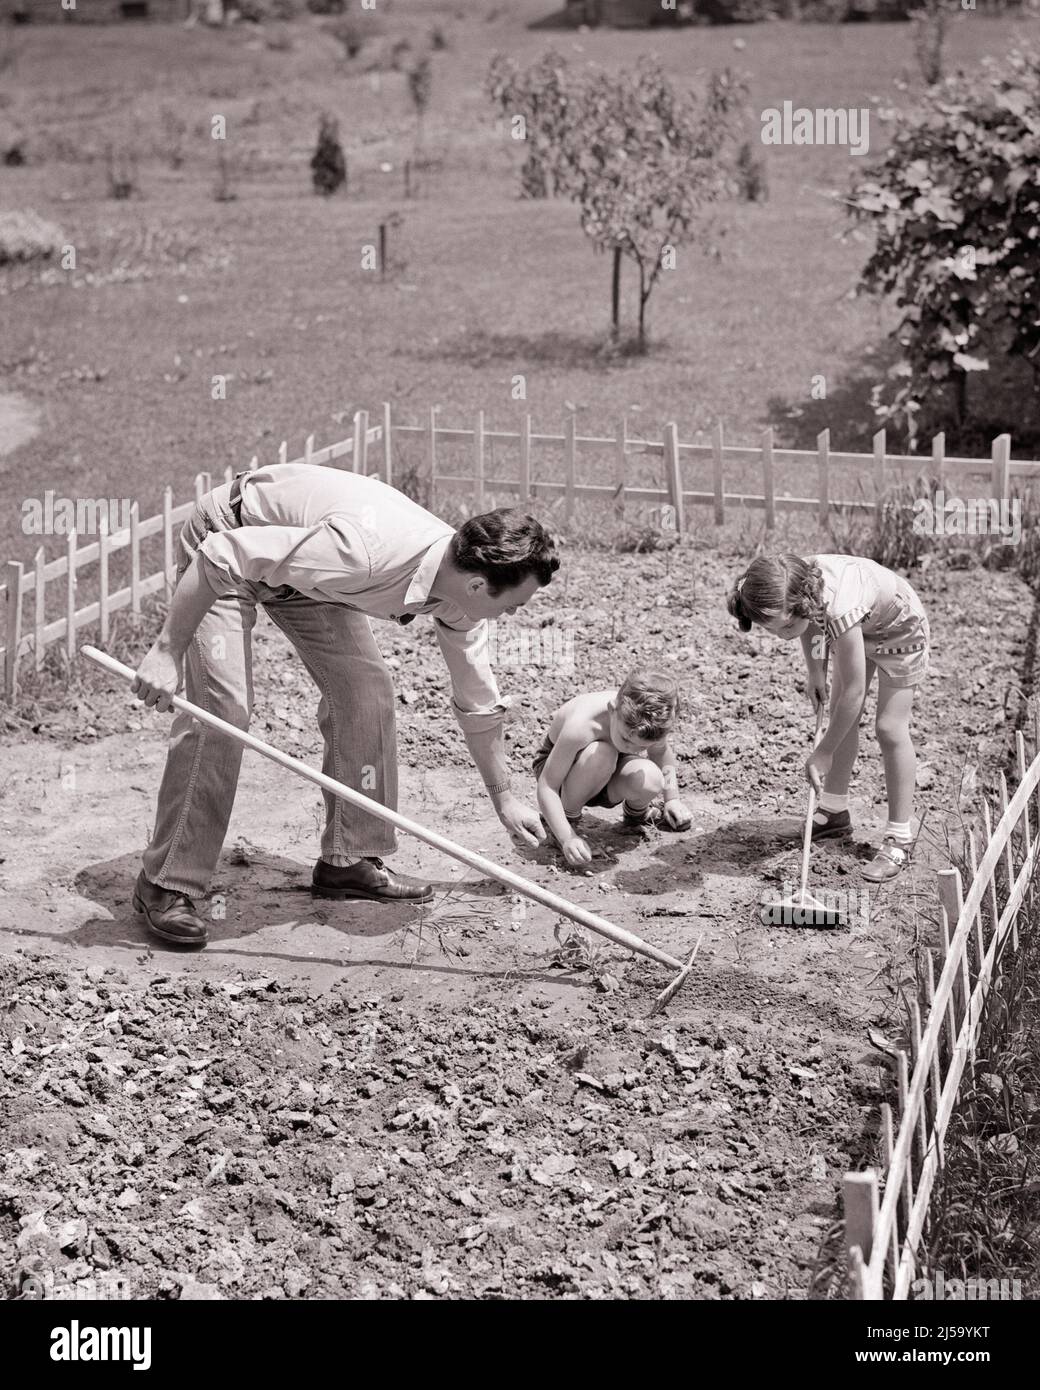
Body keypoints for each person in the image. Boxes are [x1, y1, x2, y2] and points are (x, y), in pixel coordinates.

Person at [129, 462, 559, 947]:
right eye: (513, 605)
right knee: (224, 713)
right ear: (479, 585)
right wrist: (167, 650)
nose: (512, 614)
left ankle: (347, 859)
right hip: (230, 542)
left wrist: (504, 796)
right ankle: (165, 882)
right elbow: (221, 555)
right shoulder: (364, 556)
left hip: (305, 571)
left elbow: (477, 698)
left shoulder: (458, 590)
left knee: (366, 692)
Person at [727, 552, 930, 883]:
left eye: (787, 626)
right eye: (774, 630)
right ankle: (834, 812)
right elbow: (810, 625)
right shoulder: (795, 587)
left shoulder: (837, 604)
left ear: (801, 604)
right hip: (859, 628)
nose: (783, 636)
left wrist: (823, 752)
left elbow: (853, 689)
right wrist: (815, 671)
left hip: (900, 630)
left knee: (889, 728)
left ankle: (899, 837)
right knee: (840, 717)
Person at [532, 670, 693, 870]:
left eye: (641, 747)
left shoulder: (648, 724)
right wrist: (567, 838)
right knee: (602, 753)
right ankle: (565, 821)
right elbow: (547, 786)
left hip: (610, 767)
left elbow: (661, 754)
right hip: (562, 771)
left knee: (651, 777)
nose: (632, 749)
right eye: (626, 739)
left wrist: (672, 799)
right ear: (612, 710)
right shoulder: (582, 726)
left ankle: (636, 815)